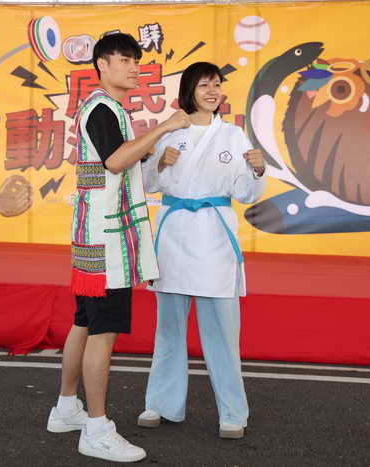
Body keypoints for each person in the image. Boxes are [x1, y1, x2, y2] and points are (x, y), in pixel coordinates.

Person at [46, 32, 190, 463]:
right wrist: (164, 127)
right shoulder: (103, 108)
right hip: (106, 241)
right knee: (102, 332)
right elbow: (115, 161)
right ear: (102, 65)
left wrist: (153, 155)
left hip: (94, 234)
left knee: (84, 323)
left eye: (135, 61)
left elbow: (121, 163)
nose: (133, 67)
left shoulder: (108, 109)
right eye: (124, 60)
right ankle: (96, 428)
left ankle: (66, 408)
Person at [138, 62, 266, 439]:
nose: (213, 91)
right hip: (174, 235)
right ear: (189, 90)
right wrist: (158, 164)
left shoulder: (232, 135)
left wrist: (258, 171)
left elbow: (245, 192)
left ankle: (232, 413)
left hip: (214, 237)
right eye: (204, 85)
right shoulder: (169, 130)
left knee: (223, 334)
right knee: (169, 330)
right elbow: (146, 183)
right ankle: (160, 404)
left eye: (217, 84)